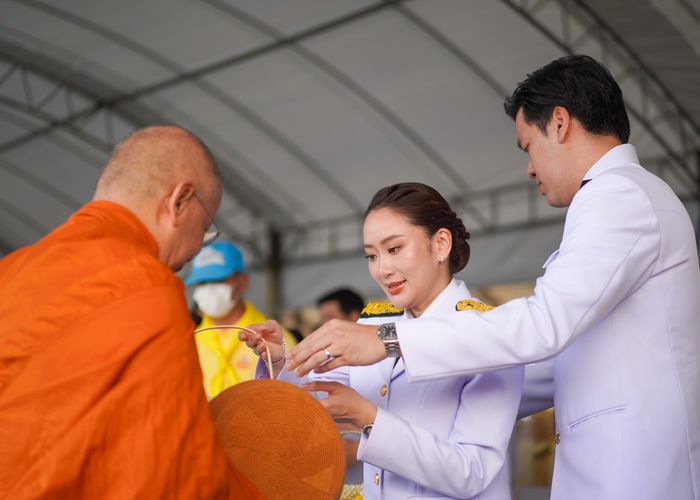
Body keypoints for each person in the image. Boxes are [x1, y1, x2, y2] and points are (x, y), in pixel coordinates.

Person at [285, 55, 700, 500]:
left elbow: (543, 325)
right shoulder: (620, 198)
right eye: (372, 254)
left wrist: (389, 342)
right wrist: (288, 363)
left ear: (559, 123)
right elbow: (553, 362)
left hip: (630, 473)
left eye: (528, 147)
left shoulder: (618, 196)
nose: (530, 168)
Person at [0, 126, 261, 498]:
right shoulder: (146, 288)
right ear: (179, 202)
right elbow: (174, 475)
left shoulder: (11, 271)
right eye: (204, 228)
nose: (193, 252)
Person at [242, 182, 524, 499]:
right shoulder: (374, 323)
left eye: (394, 249)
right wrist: (280, 359)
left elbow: (470, 472)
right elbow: (318, 394)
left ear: (441, 244)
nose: (382, 269)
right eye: (371, 256)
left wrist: (369, 419)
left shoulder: (488, 335)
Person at [186, 240, 297, 399]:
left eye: (218, 280)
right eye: (202, 282)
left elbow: (295, 397)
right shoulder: (190, 341)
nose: (209, 288)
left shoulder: (275, 340)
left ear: (242, 282)